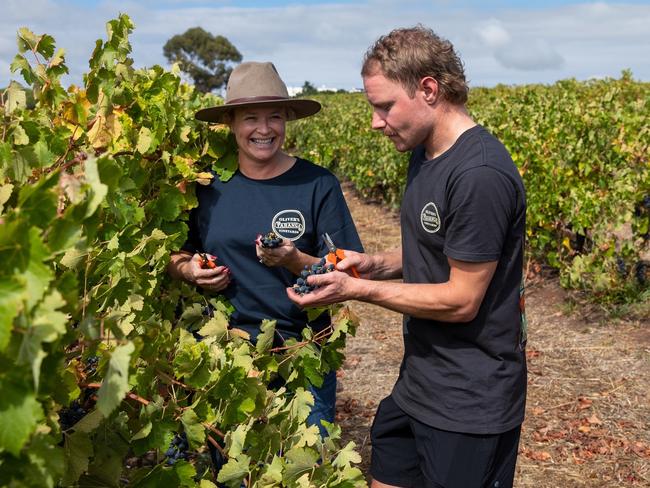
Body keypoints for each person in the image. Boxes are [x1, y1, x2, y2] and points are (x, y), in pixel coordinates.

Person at [288, 26, 527, 488]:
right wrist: (372, 262)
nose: (376, 122)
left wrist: (359, 288)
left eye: (384, 106)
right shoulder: (426, 153)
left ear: (429, 90)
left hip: (469, 402)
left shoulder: (479, 174)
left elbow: (461, 299)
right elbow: (438, 249)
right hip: (419, 382)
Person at [167, 61, 364, 436]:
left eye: (274, 116)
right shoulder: (206, 185)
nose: (263, 129)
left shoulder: (318, 184)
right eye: (250, 118)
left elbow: (350, 269)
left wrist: (297, 261)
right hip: (222, 353)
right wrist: (189, 270)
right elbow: (176, 254)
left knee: (304, 467)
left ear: (287, 118)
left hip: (300, 354)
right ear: (231, 124)